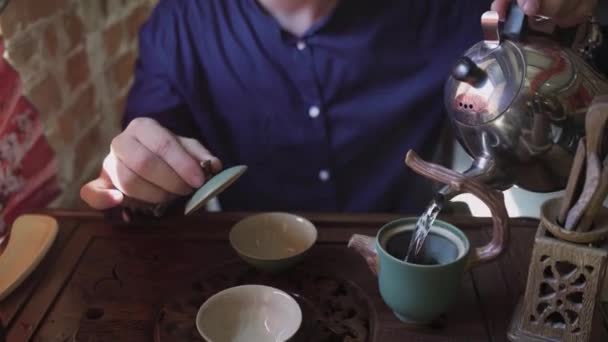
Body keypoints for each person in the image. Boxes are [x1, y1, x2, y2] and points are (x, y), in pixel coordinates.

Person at [80, 0, 599, 214]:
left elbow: (555, 69)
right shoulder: (183, 20)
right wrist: (135, 171)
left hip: (402, 261)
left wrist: (574, 18)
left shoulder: (444, 8)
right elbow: (148, 141)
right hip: (248, 278)